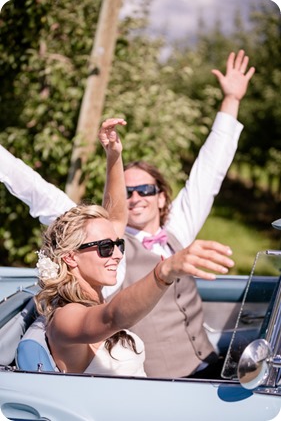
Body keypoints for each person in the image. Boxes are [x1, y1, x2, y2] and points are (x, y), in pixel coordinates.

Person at [0, 49, 255, 377]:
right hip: (170, 383)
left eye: (145, 190)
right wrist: (164, 270)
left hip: (207, 359)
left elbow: (210, 170)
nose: (134, 198)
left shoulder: (165, 230)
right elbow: (34, 188)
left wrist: (232, 99)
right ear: (71, 256)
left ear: (163, 198)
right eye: (128, 191)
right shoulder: (102, 244)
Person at [34, 202, 234, 376]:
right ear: (70, 257)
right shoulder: (64, 318)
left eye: (119, 245)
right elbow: (111, 317)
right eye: (105, 247)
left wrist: (114, 159)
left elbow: (119, 216)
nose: (118, 255)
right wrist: (163, 272)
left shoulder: (96, 298)